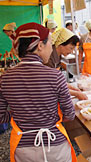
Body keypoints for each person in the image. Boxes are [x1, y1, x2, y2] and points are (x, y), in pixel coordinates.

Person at [0, 22, 76, 162]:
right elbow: (70, 114)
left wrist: (20, 114)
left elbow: (1, 115)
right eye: (50, 44)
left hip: (23, 148)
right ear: (40, 46)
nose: (51, 49)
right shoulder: (55, 76)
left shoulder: (6, 78)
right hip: (55, 146)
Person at [46, 27, 88, 100]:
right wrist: (76, 93)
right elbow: (52, 84)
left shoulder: (58, 56)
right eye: (71, 48)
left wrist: (71, 87)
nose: (71, 52)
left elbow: (57, 81)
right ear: (61, 45)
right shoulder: (49, 58)